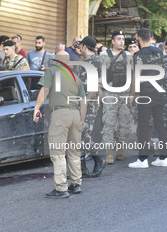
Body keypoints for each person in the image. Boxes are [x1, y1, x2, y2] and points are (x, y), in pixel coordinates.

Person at [33, 51, 86, 199]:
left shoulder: (52, 71)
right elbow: (83, 102)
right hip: (75, 114)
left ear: (56, 60)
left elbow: (44, 90)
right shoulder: (76, 77)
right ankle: (76, 184)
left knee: (58, 152)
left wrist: (36, 108)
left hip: (60, 114)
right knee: (74, 152)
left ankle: (61, 187)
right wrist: (81, 120)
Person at [128, 28, 167, 168]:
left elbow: (136, 75)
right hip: (159, 91)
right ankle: (164, 157)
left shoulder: (139, 54)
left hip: (145, 93)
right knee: (160, 124)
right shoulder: (159, 52)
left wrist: (131, 94)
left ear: (138, 38)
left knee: (143, 125)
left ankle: (143, 159)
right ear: (150, 37)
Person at [99, 30, 133, 164]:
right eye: (118, 39)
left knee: (125, 123)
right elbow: (98, 74)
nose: (121, 41)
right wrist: (100, 91)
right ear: (113, 41)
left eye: (123, 39)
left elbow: (132, 75)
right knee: (109, 122)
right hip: (110, 93)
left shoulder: (128, 56)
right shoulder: (103, 55)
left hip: (125, 93)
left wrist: (132, 95)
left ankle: (121, 151)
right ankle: (108, 153)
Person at [76, 36, 106, 177]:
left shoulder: (95, 62)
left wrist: (86, 101)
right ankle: (81, 168)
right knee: (78, 134)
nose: (78, 48)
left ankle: (99, 159)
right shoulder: (85, 61)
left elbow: (94, 87)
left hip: (89, 103)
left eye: (80, 46)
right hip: (80, 102)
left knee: (84, 133)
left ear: (84, 46)